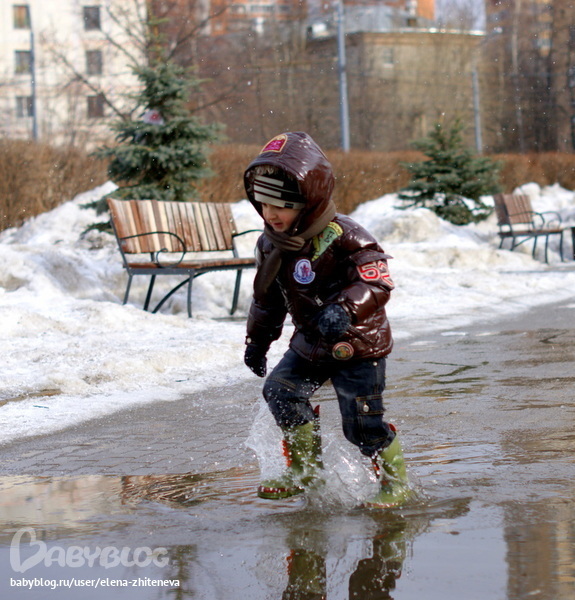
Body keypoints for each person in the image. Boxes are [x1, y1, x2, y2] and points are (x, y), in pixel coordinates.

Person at [243, 131, 409, 507]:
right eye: (264, 205)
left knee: (362, 427)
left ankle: (395, 483)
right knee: (281, 391)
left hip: (357, 343)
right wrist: (257, 342)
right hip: (311, 341)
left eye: (281, 206)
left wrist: (345, 308)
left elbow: (377, 281)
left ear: (309, 201)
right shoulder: (271, 245)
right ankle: (304, 469)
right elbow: (267, 299)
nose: (271, 215)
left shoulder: (346, 236)